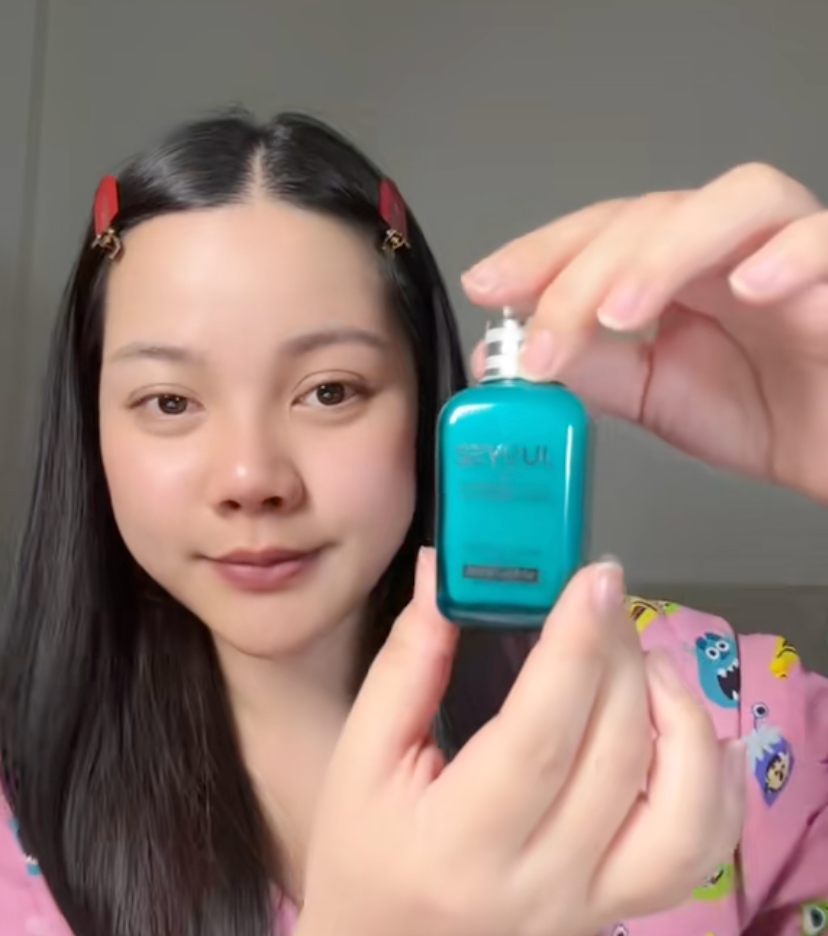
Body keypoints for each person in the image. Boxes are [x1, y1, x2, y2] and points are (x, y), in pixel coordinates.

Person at [0, 107, 786, 936]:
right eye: (168, 402)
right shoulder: (19, 820)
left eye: (329, 390)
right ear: (91, 429)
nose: (251, 480)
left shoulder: (713, 710)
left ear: (428, 407)